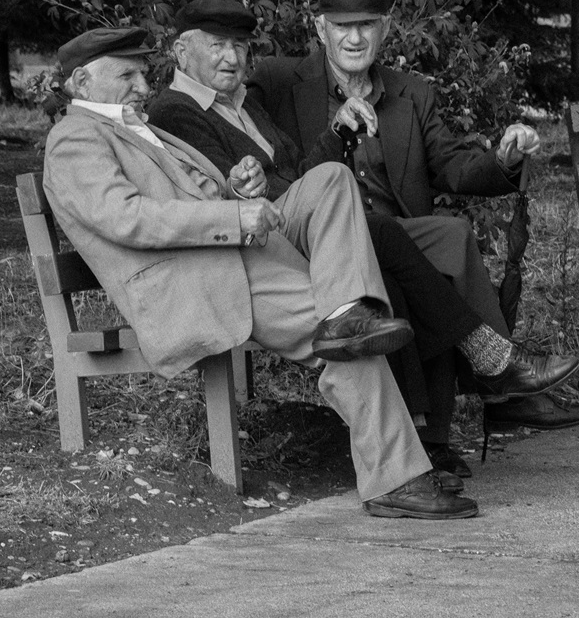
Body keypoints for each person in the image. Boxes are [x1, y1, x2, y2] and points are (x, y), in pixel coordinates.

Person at [42, 26, 477, 520]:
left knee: (331, 182)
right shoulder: (75, 138)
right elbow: (126, 218)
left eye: (142, 74)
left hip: (234, 255)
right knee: (343, 336)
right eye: (128, 76)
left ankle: (348, 314)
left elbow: (189, 195)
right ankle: (395, 477)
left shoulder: (132, 125)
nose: (143, 87)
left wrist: (234, 189)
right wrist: (233, 216)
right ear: (82, 82)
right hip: (204, 279)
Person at [149, 0, 579, 481]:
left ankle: (438, 431)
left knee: (427, 244)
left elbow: (303, 173)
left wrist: (339, 133)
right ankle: (491, 366)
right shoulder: (180, 110)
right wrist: (239, 186)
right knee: (380, 238)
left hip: (314, 219)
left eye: (238, 46)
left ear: (385, 30)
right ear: (181, 51)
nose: (231, 58)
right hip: (268, 244)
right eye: (217, 46)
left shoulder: (246, 102)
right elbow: (206, 189)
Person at [247, 0, 579, 437]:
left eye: (366, 25)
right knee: (436, 248)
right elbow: (274, 169)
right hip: (327, 243)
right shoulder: (280, 84)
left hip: (395, 234)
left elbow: (454, 165)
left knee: (444, 244)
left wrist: (503, 158)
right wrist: (334, 133)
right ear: (320, 29)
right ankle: (503, 388)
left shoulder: (411, 93)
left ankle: (484, 404)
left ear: (385, 28)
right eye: (342, 26)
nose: (355, 38)